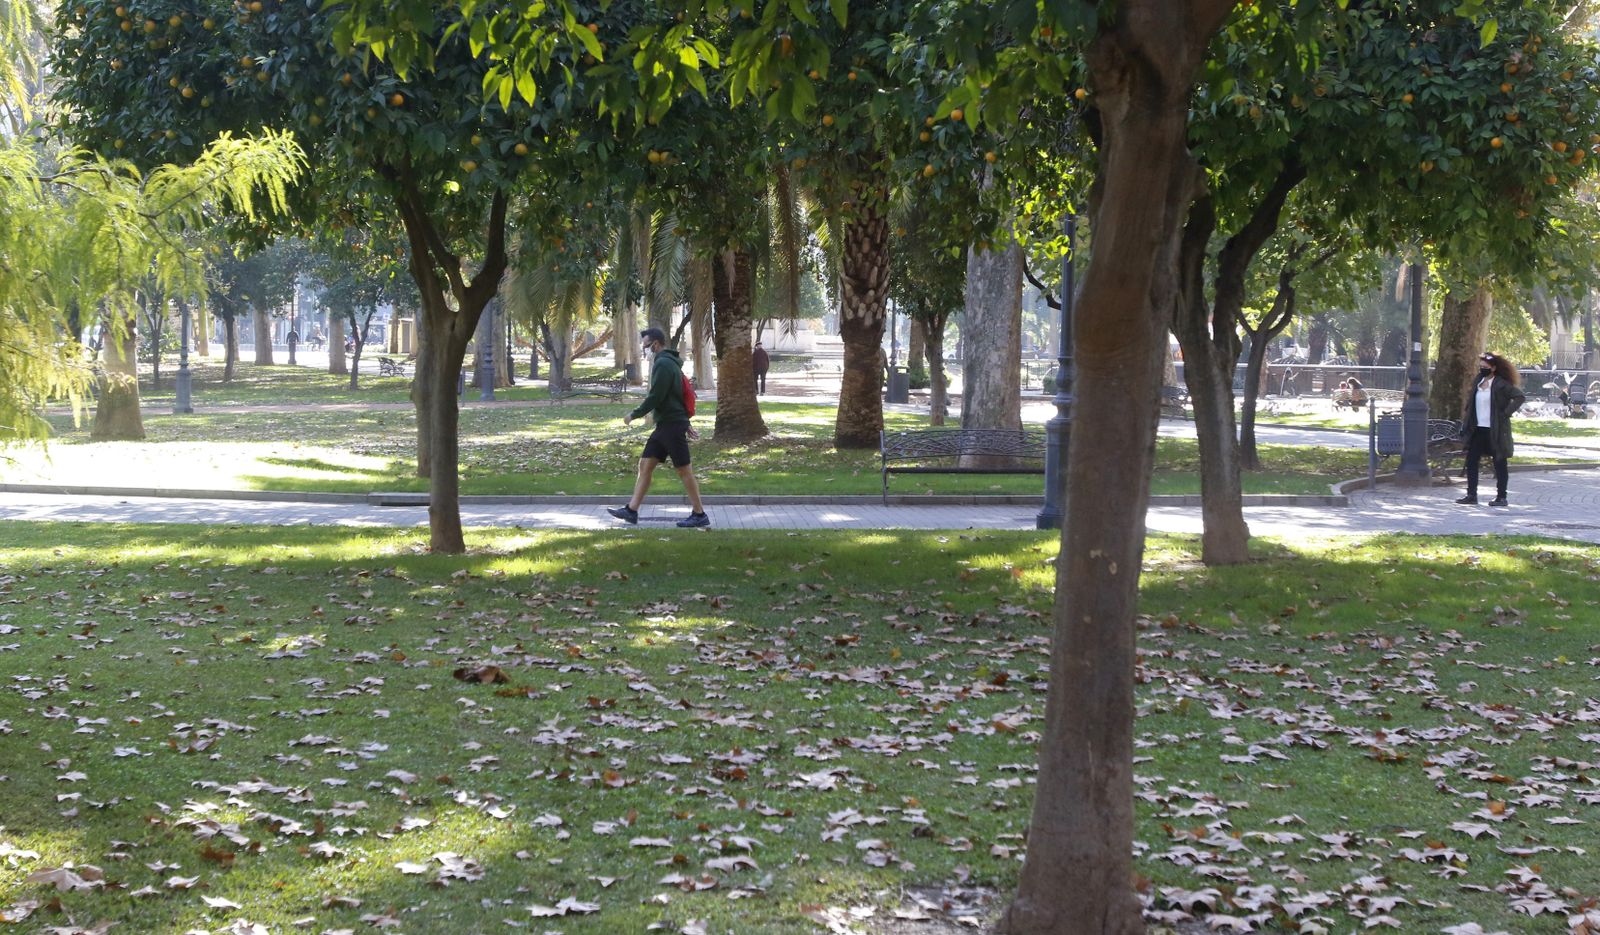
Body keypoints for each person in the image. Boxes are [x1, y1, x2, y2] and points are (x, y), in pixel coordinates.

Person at [607, 327, 710, 528]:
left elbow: (657, 396)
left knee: (684, 470)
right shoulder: (669, 363)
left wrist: (634, 414)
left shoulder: (663, 364)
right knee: (645, 465)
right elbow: (676, 396)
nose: (644, 349)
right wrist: (686, 422)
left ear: (655, 344)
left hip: (671, 426)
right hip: (666, 425)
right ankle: (631, 511)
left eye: (646, 345)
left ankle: (699, 514)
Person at [1456, 351, 1526, 507]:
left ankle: (1502, 497)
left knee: (1499, 463)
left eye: (1485, 366)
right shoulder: (1478, 381)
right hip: (1478, 429)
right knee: (1472, 461)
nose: (1482, 369)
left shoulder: (1501, 384)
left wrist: (1505, 413)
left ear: (1493, 368)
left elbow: (1519, 397)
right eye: (1480, 366)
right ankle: (1471, 495)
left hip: (1495, 430)